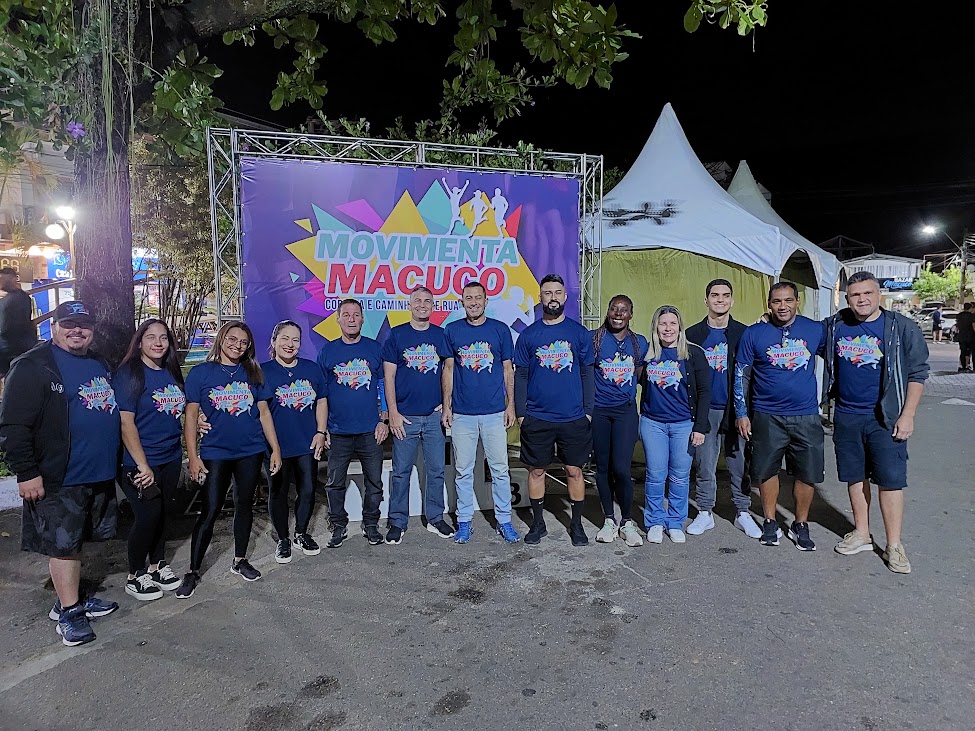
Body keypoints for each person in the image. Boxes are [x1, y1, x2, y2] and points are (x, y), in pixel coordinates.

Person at [0, 301, 120, 646]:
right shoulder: (33, 365)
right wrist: (26, 472)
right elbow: (13, 426)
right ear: (53, 327)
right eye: (69, 324)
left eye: (83, 324)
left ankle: (72, 598)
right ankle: (69, 612)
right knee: (63, 545)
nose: (77, 330)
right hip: (60, 475)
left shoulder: (98, 362)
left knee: (77, 540)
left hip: (96, 473)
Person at [824, 271, 929, 573]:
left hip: (885, 417)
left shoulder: (901, 327)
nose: (862, 299)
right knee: (854, 476)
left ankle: (894, 545)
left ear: (878, 294)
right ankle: (862, 533)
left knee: (890, 481)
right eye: (855, 295)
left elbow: (918, 373)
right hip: (847, 415)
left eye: (867, 293)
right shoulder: (836, 326)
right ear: (847, 298)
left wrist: (908, 415)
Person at [177, 321, 282, 598]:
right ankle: (193, 570)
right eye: (232, 339)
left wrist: (275, 449)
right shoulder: (201, 373)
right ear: (221, 339)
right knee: (210, 510)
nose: (237, 345)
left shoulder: (253, 373)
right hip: (215, 452)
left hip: (250, 451)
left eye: (244, 342)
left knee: (244, 505)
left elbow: (264, 413)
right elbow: (191, 416)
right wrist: (193, 456)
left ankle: (240, 560)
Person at [735, 282, 827, 550]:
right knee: (766, 471)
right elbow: (741, 374)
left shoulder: (815, 330)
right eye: (777, 301)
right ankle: (770, 521)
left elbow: (837, 357)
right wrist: (742, 413)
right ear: (769, 304)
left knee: (807, 473)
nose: (783, 306)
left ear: (798, 301)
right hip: (767, 415)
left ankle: (800, 524)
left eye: (788, 300)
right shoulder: (754, 333)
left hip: (806, 415)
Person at [514, 274, 595, 546]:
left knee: (574, 471)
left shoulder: (579, 333)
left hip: (573, 417)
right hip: (537, 417)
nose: (553, 298)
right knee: (536, 471)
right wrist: (522, 413)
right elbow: (521, 375)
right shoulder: (529, 335)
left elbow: (587, 373)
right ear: (540, 297)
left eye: (557, 292)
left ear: (565, 296)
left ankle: (576, 524)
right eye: (547, 293)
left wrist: (588, 411)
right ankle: (538, 524)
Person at [113, 319, 187, 601]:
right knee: (147, 516)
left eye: (164, 337)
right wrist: (142, 465)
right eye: (151, 337)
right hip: (141, 461)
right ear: (140, 341)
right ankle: (135, 574)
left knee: (164, 513)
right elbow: (126, 423)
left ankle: (157, 565)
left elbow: (177, 408)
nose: (158, 343)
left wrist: (200, 420)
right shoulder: (129, 374)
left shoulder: (170, 371)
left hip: (171, 456)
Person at [442, 281, 520, 544]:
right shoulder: (452, 330)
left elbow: (508, 370)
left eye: (478, 297)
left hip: (495, 412)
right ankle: (464, 522)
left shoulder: (500, 330)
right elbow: (448, 370)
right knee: (463, 471)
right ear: (462, 302)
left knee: (500, 470)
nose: (473, 302)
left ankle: (505, 521)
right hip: (462, 414)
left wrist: (511, 404)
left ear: (486, 301)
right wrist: (447, 406)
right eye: (468, 298)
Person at [685, 279, 762, 538]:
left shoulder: (744, 333)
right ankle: (705, 511)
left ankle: (743, 511)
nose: (720, 300)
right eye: (715, 295)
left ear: (732, 300)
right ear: (706, 300)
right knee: (704, 464)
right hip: (706, 410)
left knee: (739, 463)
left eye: (725, 295)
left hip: (736, 410)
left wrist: (747, 411)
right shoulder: (692, 335)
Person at [382, 286, 453, 544]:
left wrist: (446, 404)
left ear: (433, 306)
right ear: (409, 305)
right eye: (418, 301)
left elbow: (449, 371)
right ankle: (397, 522)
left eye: (427, 301)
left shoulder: (441, 335)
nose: (422, 305)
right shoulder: (396, 335)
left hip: (434, 418)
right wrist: (393, 412)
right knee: (401, 472)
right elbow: (388, 376)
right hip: (405, 418)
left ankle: (435, 518)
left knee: (436, 470)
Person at [317, 299, 389, 548]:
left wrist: (384, 419)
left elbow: (383, 385)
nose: (351, 319)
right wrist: (323, 429)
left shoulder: (374, 348)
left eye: (356, 315)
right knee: (334, 484)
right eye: (346, 314)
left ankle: (371, 524)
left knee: (375, 483)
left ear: (362, 319)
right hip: (338, 432)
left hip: (370, 431)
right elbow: (321, 395)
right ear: (338, 319)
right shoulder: (328, 351)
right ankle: (338, 525)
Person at [639, 306, 710, 544]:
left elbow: (704, 392)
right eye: (663, 324)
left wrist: (700, 427)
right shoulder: (647, 355)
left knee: (680, 476)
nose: (668, 328)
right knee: (655, 475)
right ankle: (655, 521)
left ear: (680, 327)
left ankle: (675, 522)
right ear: (655, 327)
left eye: (672, 323)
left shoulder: (694, 354)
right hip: (653, 424)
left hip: (684, 425)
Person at [261, 320, 328, 563]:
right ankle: (283, 539)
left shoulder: (311, 369)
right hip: (276, 446)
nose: (290, 344)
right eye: (285, 338)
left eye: (295, 340)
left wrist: (321, 432)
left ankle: (301, 533)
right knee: (278, 492)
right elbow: (258, 410)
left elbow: (322, 400)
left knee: (308, 489)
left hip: (306, 443)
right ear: (274, 341)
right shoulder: (262, 372)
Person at [590, 295, 648, 547]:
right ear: (608, 311)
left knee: (622, 469)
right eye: (614, 308)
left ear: (631, 314)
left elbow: (641, 376)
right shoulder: (594, 339)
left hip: (625, 412)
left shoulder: (640, 343)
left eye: (623, 310)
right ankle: (609, 519)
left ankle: (627, 521)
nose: (618, 313)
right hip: (600, 411)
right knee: (603, 468)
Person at [0, 266, 37, 379]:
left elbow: (5, 328)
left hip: (11, 348)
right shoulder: (23, 297)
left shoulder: (9, 300)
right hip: (22, 346)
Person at [955, 302, 974, 371]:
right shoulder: (971, 316)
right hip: (970, 336)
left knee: (962, 351)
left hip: (961, 335)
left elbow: (957, 325)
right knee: (968, 352)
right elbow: (973, 326)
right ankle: (967, 365)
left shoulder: (959, 315)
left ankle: (962, 365)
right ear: (970, 308)